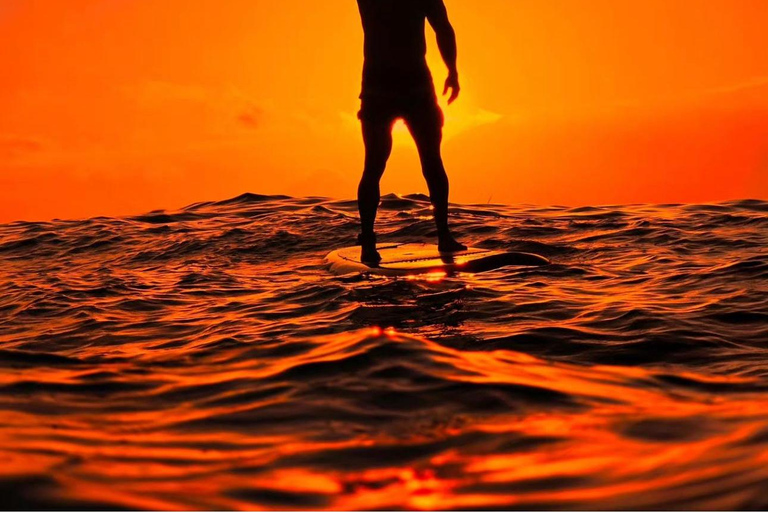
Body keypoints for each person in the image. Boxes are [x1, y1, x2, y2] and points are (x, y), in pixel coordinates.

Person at [356, 0, 467, 263]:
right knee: (376, 165)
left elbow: (443, 28)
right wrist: (452, 72)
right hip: (384, 88)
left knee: (427, 161)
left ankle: (442, 235)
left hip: (407, 88)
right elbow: (443, 28)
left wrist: (452, 71)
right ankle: (370, 241)